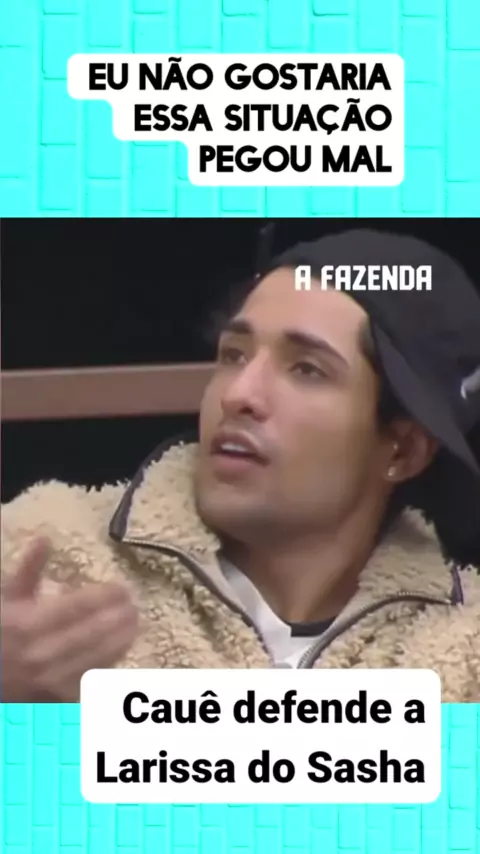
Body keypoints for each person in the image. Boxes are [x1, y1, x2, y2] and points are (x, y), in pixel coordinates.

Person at [2, 228, 480, 704]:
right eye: (234, 355)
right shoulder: (44, 550)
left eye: (306, 369)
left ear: (402, 451)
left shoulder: (465, 651)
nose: (238, 394)